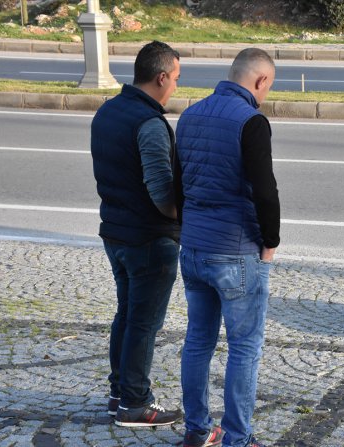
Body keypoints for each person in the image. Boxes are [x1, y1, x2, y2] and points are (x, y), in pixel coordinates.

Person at [175, 48, 280, 447]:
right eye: (268, 86)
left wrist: (188, 231)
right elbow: (264, 190)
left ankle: (197, 430)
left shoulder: (190, 114)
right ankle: (238, 437)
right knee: (244, 347)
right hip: (236, 250)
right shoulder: (251, 121)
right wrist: (270, 242)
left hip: (194, 246)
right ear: (260, 81)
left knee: (198, 340)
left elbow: (178, 183)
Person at [90, 40, 183, 427]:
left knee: (127, 316)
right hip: (148, 238)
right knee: (143, 323)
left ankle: (118, 394)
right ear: (161, 77)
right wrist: (184, 219)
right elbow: (161, 190)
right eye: (176, 78)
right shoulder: (149, 123)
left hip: (115, 232)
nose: (176, 86)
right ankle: (135, 403)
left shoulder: (108, 111)